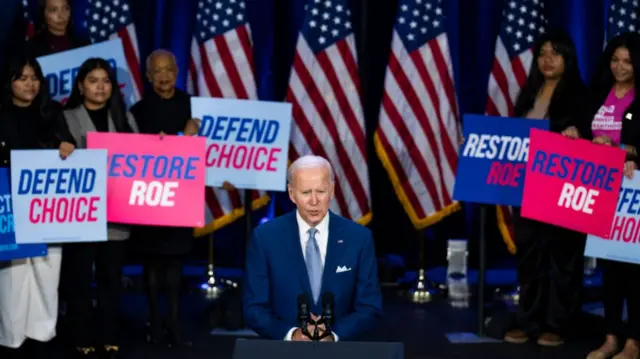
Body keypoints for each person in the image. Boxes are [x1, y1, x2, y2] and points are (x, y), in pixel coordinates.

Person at [503, 30, 588, 347]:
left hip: (563, 189)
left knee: (562, 258)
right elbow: (514, 138)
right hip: (525, 189)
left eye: (555, 53)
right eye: (542, 54)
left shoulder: (581, 95)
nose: (547, 60)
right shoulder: (527, 94)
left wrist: (576, 135)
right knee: (530, 257)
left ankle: (558, 323)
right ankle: (528, 320)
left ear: (568, 58)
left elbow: (592, 139)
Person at [242, 155, 382, 341]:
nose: (314, 201)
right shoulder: (265, 238)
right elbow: (254, 308)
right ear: (292, 194)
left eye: (321, 191)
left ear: (331, 191)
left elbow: (370, 306)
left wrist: (334, 334)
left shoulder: (359, 238)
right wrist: (291, 335)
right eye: (306, 192)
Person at [61, 57, 138, 359]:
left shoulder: (124, 117)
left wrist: (159, 144)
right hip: (80, 214)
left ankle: (108, 335)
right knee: (79, 279)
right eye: (93, 80)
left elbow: (142, 159)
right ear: (80, 86)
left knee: (110, 279)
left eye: (105, 80)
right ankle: (81, 336)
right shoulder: (66, 117)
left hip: (116, 214)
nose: (100, 86)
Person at [0, 55, 75, 359]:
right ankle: (12, 335)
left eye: (34, 78)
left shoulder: (51, 111)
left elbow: (68, 146)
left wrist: (66, 147)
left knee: (47, 271)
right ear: (9, 82)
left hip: (46, 205)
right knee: (14, 276)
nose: (29, 84)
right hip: (8, 204)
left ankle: (42, 333)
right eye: (22, 77)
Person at [129, 49, 199, 347]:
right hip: (149, 198)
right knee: (153, 262)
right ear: (148, 76)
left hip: (182, 195)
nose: (164, 75)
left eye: (169, 69)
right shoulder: (139, 111)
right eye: (157, 71)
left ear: (177, 70)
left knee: (175, 262)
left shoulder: (191, 105)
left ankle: (174, 322)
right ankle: (154, 322)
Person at [583, 32, 640, 359]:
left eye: (628, 61)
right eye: (615, 60)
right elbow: (583, 130)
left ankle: (634, 341)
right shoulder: (598, 93)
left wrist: (624, 151)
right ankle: (611, 337)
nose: (620, 67)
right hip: (601, 190)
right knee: (611, 270)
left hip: (633, 192)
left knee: (634, 271)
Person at [24, 0, 90, 58]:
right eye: (54, 10)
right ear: (43, 13)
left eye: (65, 8)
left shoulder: (83, 44)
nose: (61, 16)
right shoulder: (32, 48)